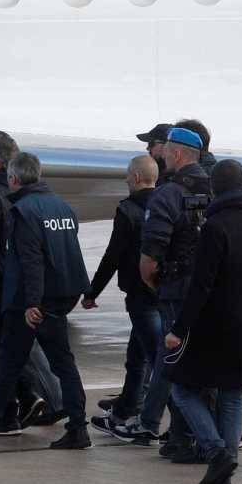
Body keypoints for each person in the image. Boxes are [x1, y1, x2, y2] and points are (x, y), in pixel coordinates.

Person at [0, 152, 93, 449]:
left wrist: (31, 303)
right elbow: (69, 254)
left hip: (31, 303)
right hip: (60, 295)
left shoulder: (24, 211)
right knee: (44, 363)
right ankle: (73, 427)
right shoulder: (63, 206)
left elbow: (31, 260)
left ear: (14, 179)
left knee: (11, 363)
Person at [164, 159, 242, 484]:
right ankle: (224, 472)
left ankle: (215, 451)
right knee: (232, 394)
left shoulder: (214, 226)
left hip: (214, 324)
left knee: (182, 389)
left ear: (214, 188)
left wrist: (179, 328)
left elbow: (201, 285)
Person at [109, 127, 210, 452]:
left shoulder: (168, 194)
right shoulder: (213, 187)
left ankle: (163, 429)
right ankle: (187, 436)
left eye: (165, 149)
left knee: (171, 362)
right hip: (207, 290)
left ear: (177, 154)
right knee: (199, 365)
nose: (162, 153)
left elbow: (150, 257)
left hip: (175, 291)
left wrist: (157, 282)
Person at [85, 154, 159, 433]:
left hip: (140, 296)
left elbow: (113, 255)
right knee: (137, 356)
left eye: (129, 174)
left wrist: (93, 291)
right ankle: (123, 412)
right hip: (162, 292)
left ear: (137, 178)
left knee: (155, 361)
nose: (126, 179)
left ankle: (151, 423)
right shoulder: (167, 204)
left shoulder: (128, 210)